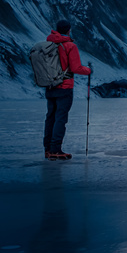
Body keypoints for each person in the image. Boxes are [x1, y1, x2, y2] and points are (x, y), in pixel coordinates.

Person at [43, 19, 91, 160]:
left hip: (50, 86)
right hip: (64, 87)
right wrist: (88, 70)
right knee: (60, 118)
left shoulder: (47, 45)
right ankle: (56, 149)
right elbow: (76, 68)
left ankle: (47, 149)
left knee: (50, 117)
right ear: (69, 30)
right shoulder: (70, 46)